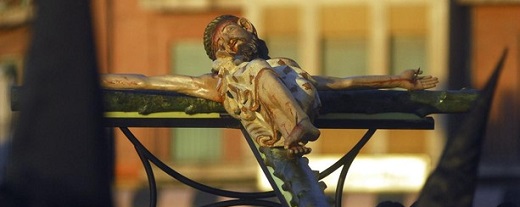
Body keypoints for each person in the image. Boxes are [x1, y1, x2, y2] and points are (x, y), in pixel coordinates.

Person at [101, 15, 439, 156]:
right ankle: (295, 127)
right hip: (280, 121)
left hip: (302, 107)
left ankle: (296, 124)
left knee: (270, 68)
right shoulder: (220, 81)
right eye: (222, 42)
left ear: (247, 28)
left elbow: (338, 82)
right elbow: (152, 82)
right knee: (257, 69)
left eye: (231, 32)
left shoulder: (284, 66)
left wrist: (397, 80)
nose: (229, 42)